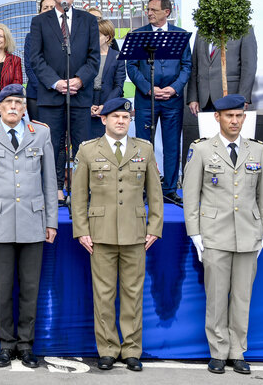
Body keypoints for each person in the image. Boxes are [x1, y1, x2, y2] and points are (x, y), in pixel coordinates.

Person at [71, 97, 163, 373]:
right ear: (104, 120)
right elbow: (78, 196)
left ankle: (132, 349)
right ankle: (108, 349)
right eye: (116, 117)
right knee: (103, 294)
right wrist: (82, 231)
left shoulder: (144, 149)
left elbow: (155, 195)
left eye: (125, 117)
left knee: (133, 294)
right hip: (100, 234)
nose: (121, 121)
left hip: (136, 234)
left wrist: (155, 227)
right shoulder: (88, 151)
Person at [0, 84, 57, 369]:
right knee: (3, 289)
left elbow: (50, 182)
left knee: (30, 288)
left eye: (18, 102)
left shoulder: (40, 133)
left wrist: (51, 222)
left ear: (24, 108)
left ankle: (26, 346)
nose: (13, 107)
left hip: (34, 220)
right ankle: (6, 346)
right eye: (8, 102)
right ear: (0, 105)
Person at [182, 94, 263, 375]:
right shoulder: (203, 150)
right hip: (215, 234)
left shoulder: (256, 150)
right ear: (217, 117)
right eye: (229, 116)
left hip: (248, 233)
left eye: (239, 116)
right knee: (217, 297)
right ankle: (218, 351)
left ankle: (238, 351)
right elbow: (190, 195)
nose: (235, 121)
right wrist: (195, 234)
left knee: (242, 297)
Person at [29, 0, 100, 203]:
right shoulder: (40, 22)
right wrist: (56, 82)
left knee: (82, 145)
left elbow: (94, 58)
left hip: (80, 95)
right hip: (51, 96)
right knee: (53, 145)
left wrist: (79, 80)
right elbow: (36, 58)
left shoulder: (88, 21)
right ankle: (56, 189)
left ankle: (80, 190)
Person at [126, 0, 192, 206]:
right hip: (146, 100)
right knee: (144, 146)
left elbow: (187, 66)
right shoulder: (139, 35)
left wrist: (173, 89)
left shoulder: (180, 36)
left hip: (172, 100)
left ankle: (170, 190)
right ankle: (144, 189)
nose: (149, 13)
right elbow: (132, 67)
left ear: (167, 12)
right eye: (148, 9)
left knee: (172, 145)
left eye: (154, 9)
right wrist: (149, 89)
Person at [187, 27, 257, 115]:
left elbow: (249, 67)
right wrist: (193, 98)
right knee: (208, 129)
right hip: (205, 99)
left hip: (232, 97)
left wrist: (243, 98)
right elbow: (194, 66)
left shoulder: (244, 29)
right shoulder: (202, 30)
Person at [90, 19, 126, 138]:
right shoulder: (86, 56)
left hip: (108, 102)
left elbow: (118, 86)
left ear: (107, 38)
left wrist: (105, 106)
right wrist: (89, 105)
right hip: (88, 103)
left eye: (97, 35)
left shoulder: (117, 57)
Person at [24, 0, 56, 121]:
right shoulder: (31, 37)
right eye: (45, 7)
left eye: (52, 7)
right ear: (39, 13)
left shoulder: (67, 37)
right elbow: (29, 66)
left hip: (59, 94)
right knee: (37, 135)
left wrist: (57, 87)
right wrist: (45, 88)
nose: (48, 10)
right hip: (36, 94)